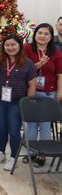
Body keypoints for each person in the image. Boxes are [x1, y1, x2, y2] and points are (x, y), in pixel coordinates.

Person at [0, 34, 37, 171]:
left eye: (13, 45)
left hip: (17, 102)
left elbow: (32, 85)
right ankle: (1, 152)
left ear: (19, 45)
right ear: (3, 47)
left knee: (14, 130)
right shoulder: (1, 60)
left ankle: (12, 157)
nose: (10, 47)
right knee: (2, 128)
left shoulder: (28, 63)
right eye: (7, 45)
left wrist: (28, 104)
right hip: (0, 100)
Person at [23, 23, 62, 167]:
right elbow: (25, 69)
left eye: (46, 34)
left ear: (51, 37)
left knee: (45, 125)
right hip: (32, 91)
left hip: (48, 92)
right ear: (35, 34)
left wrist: (60, 91)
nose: (42, 36)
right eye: (40, 33)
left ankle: (42, 155)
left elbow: (60, 74)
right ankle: (31, 152)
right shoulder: (27, 49)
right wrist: (39, 64)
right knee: (31, 124)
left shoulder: (56, 52)